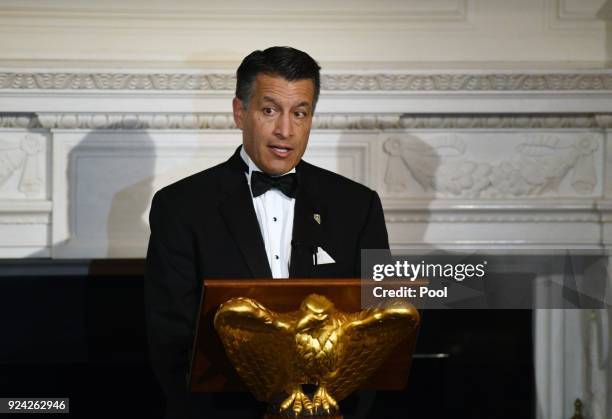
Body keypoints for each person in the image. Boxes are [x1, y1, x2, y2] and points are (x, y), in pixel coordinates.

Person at [145, 46, 389, 418]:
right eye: (270, 110)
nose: (285, 131)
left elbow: (377, 328)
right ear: (240, 112)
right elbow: (171, 339)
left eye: (300, 113)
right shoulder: (180, 206)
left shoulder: (358, 206)